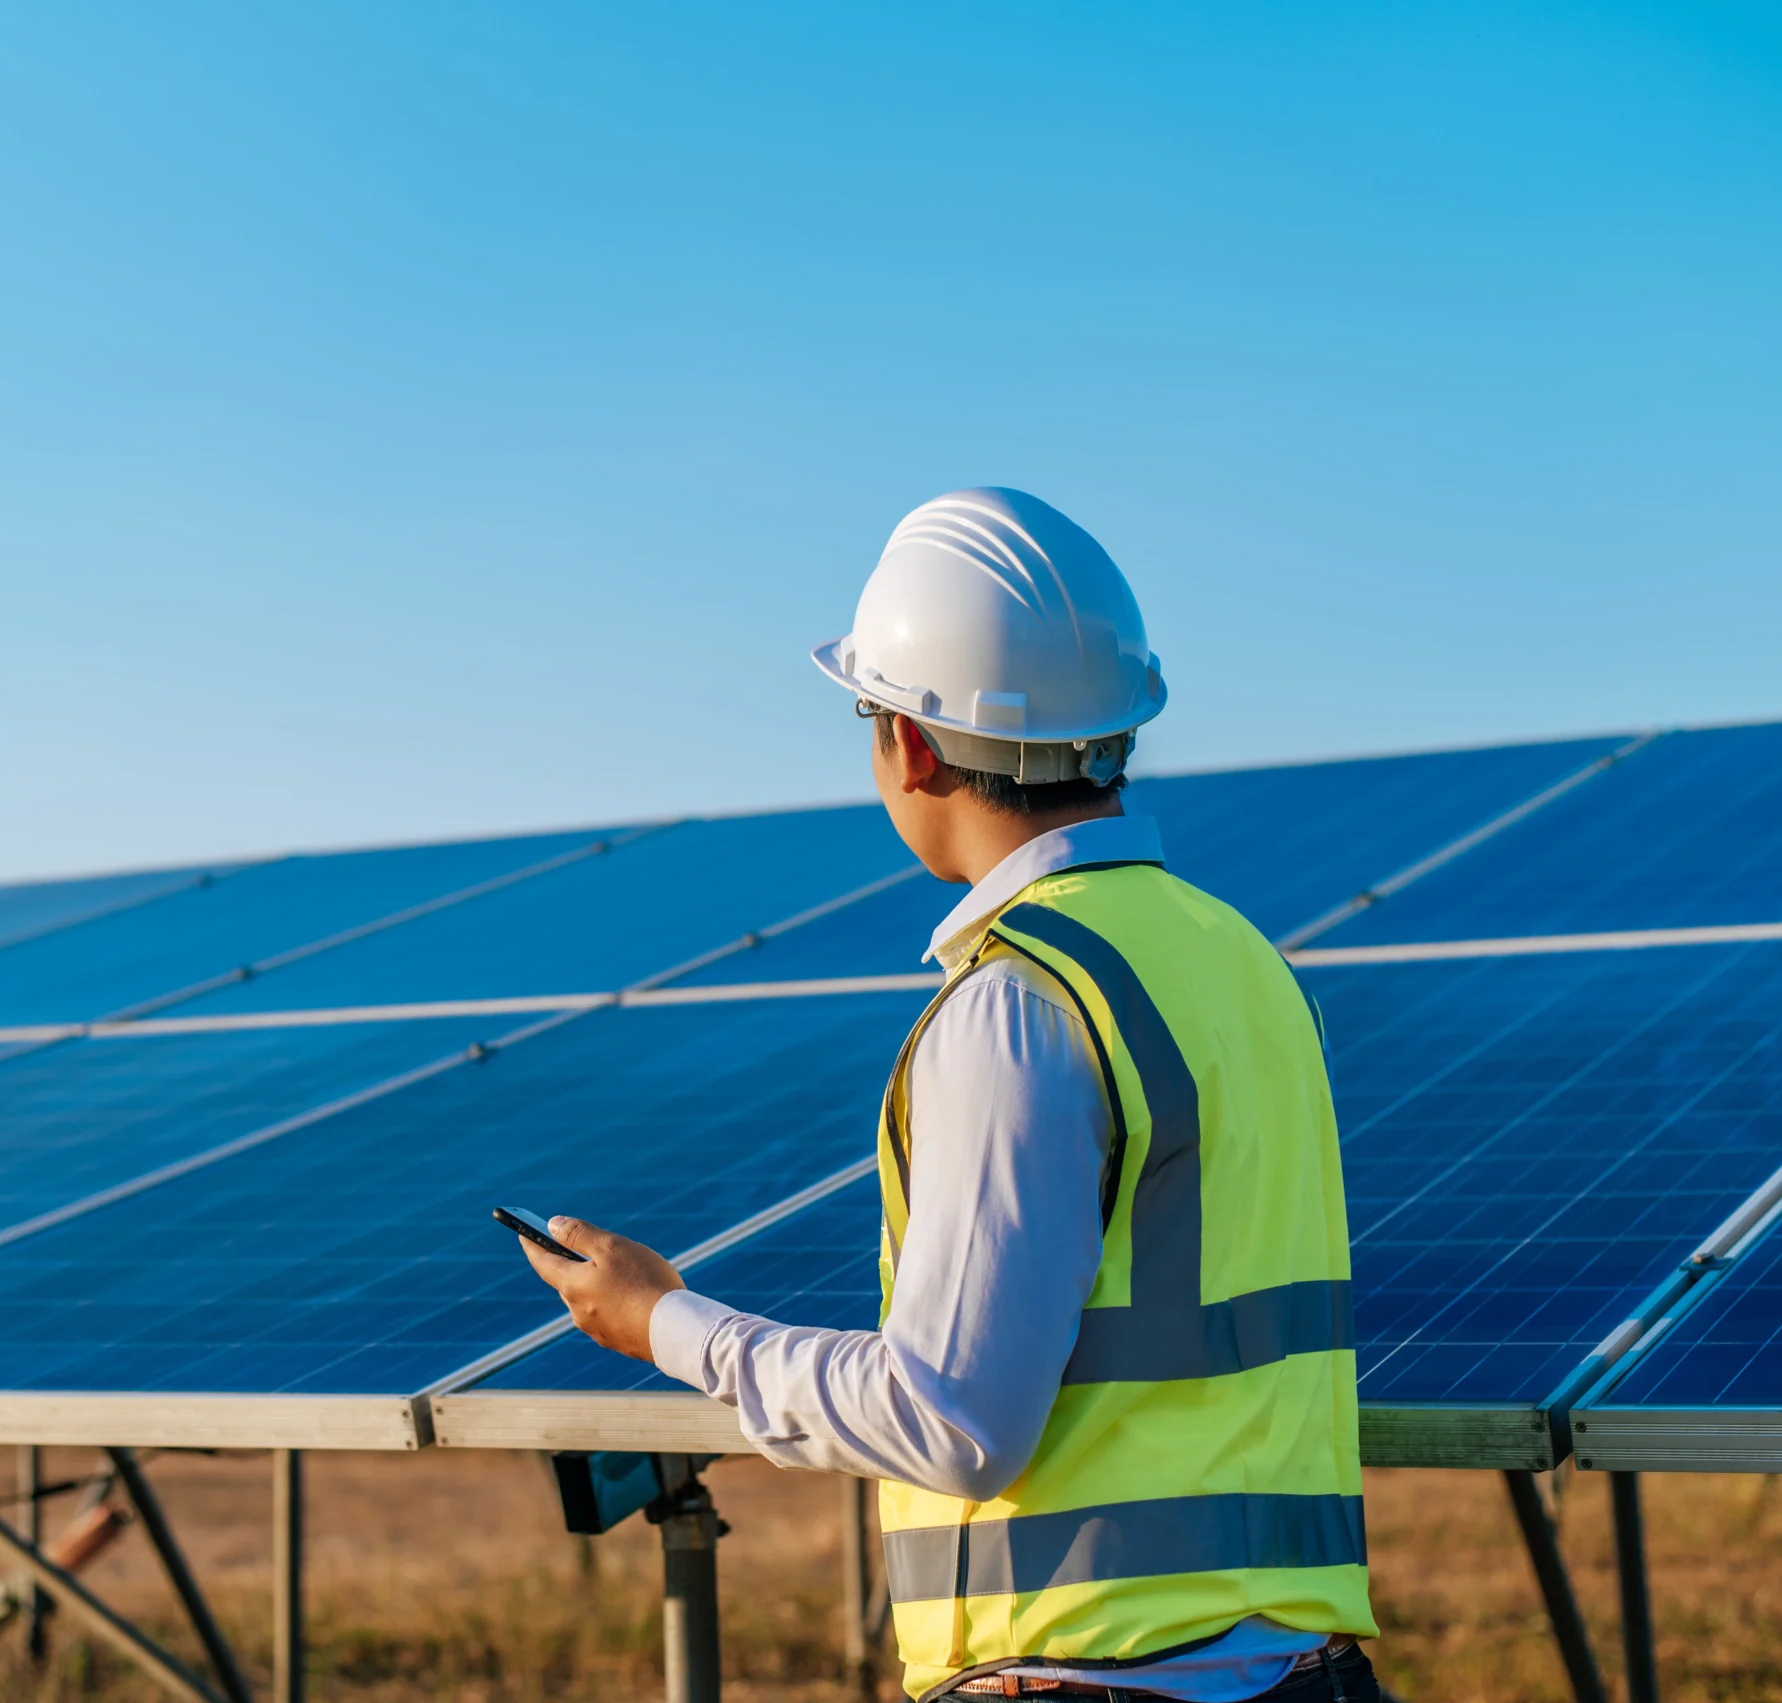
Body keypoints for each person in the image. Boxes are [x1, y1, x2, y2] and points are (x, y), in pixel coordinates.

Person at [516, 487, 1380, 1703]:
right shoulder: (1238, 957)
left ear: (909, 746)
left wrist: (665, 1322)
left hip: (1092, 1675)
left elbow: (954, 1417)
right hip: (1300, 1672)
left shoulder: (1018, 1004)